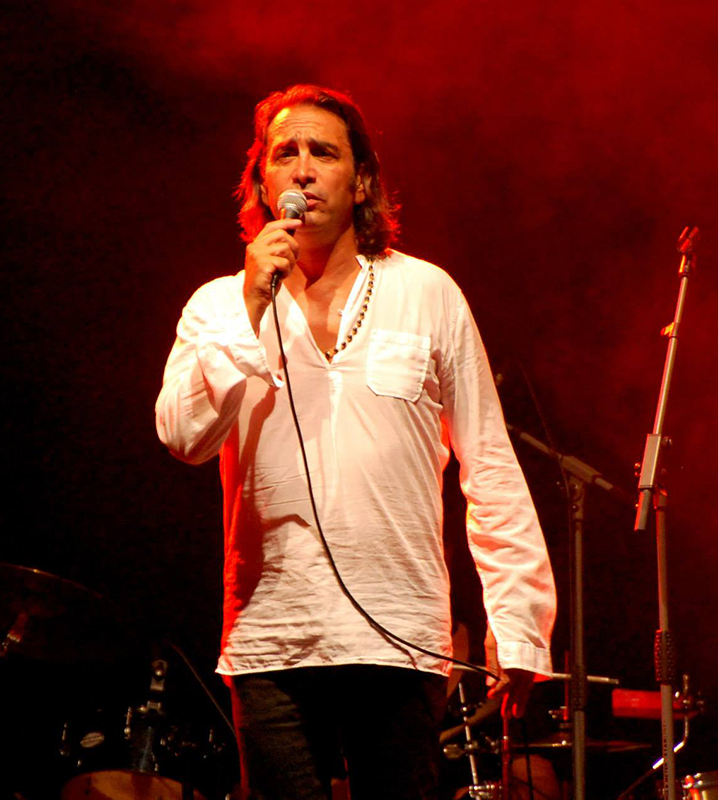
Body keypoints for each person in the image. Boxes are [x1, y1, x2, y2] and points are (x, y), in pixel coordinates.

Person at [155, 85, 556, 800]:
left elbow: (489, 463)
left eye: (324, 153)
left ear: (361, 180)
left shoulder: (427, 293)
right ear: (262, 183)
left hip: (401, 636)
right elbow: (184, 436)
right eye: (285, 154)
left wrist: (518, 622)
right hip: (272, 639)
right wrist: (250, 306)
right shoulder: (219, 306)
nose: (303, 170)